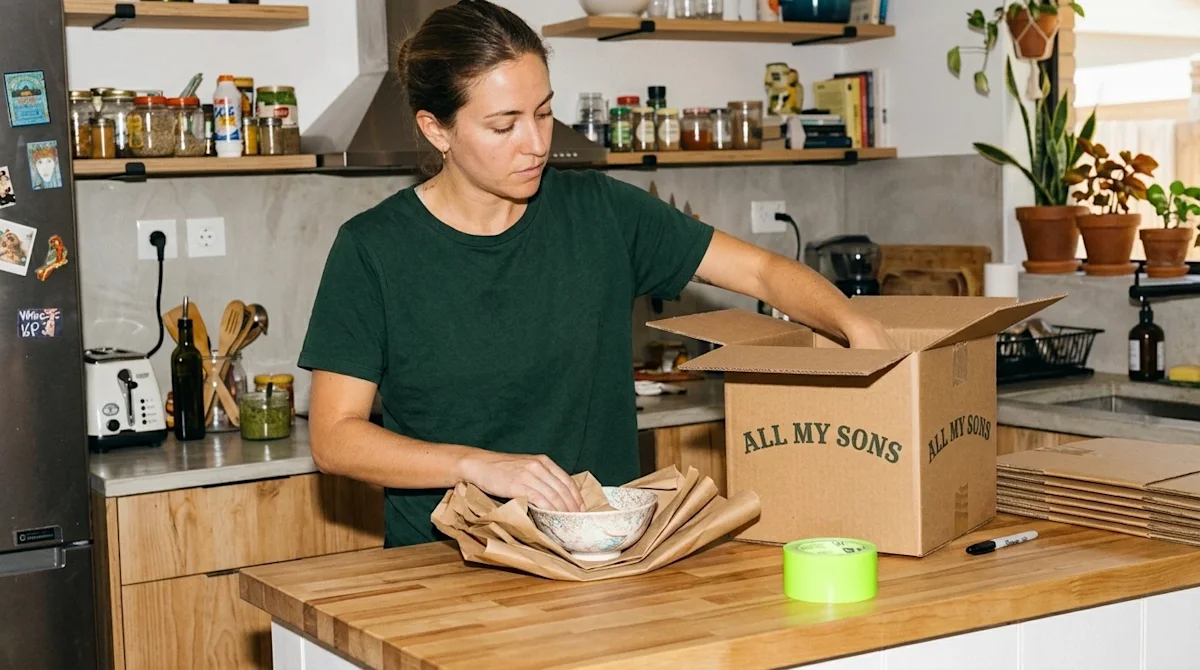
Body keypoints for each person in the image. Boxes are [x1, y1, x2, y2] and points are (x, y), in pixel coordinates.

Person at [299, 0, 897, 549]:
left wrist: (853, 324)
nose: (536, 143)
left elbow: (763, 272)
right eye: (504, 125)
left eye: (544, 112)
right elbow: (335, 437)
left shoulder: (603, 212)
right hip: (445, 565)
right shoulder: (373, 249)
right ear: (437, 130)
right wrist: (475, 464)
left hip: (601, 556)